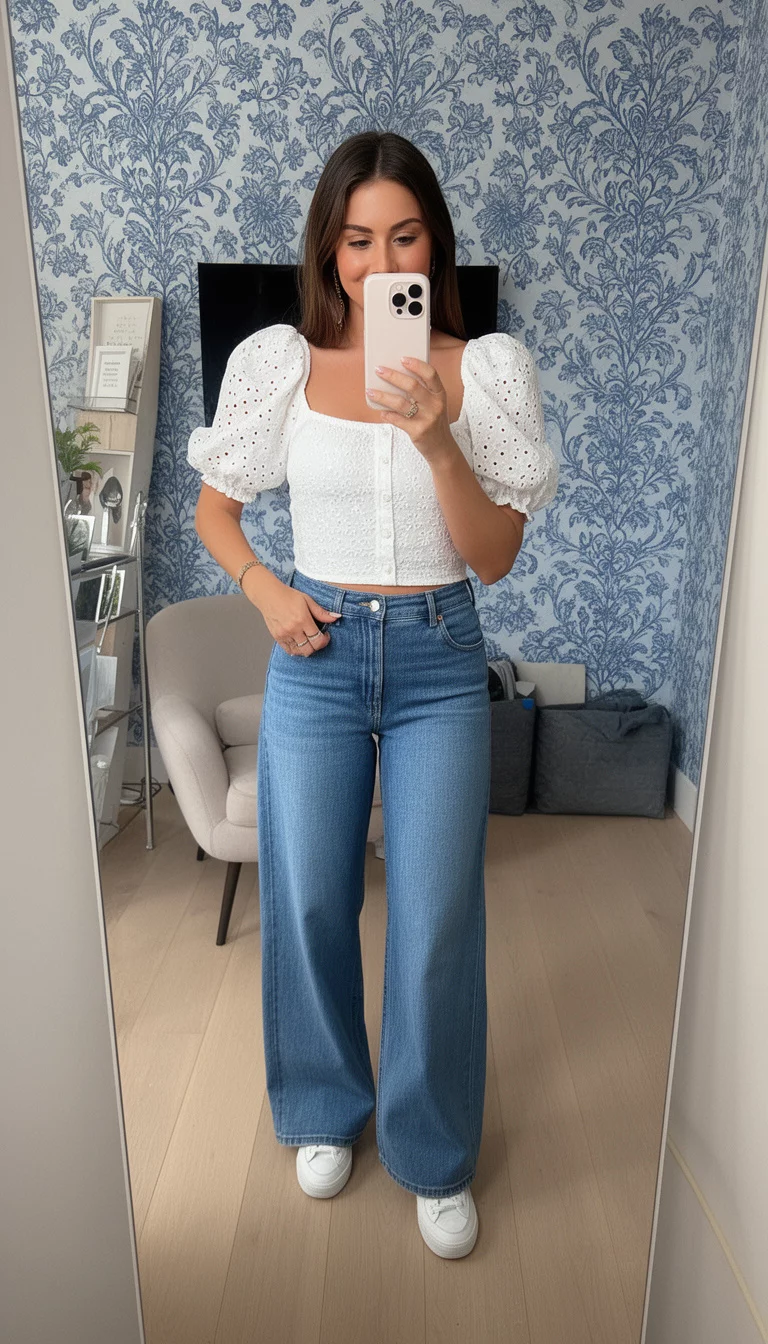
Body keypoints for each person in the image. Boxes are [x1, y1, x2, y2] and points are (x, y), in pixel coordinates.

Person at [187, 130, 559, 1259]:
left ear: (432, 244)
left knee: (440, 912)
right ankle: (323, 1108)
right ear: (330, 248)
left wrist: (438, 439)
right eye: (357, 239)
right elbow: (218, 510)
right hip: (317, 654)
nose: (378, 258)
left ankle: (434, 1150)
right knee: (306, 899)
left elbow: (493, 556)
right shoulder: (279, 367)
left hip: (444, 656)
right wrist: (266, 594)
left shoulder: (482, 368)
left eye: (403, 235)